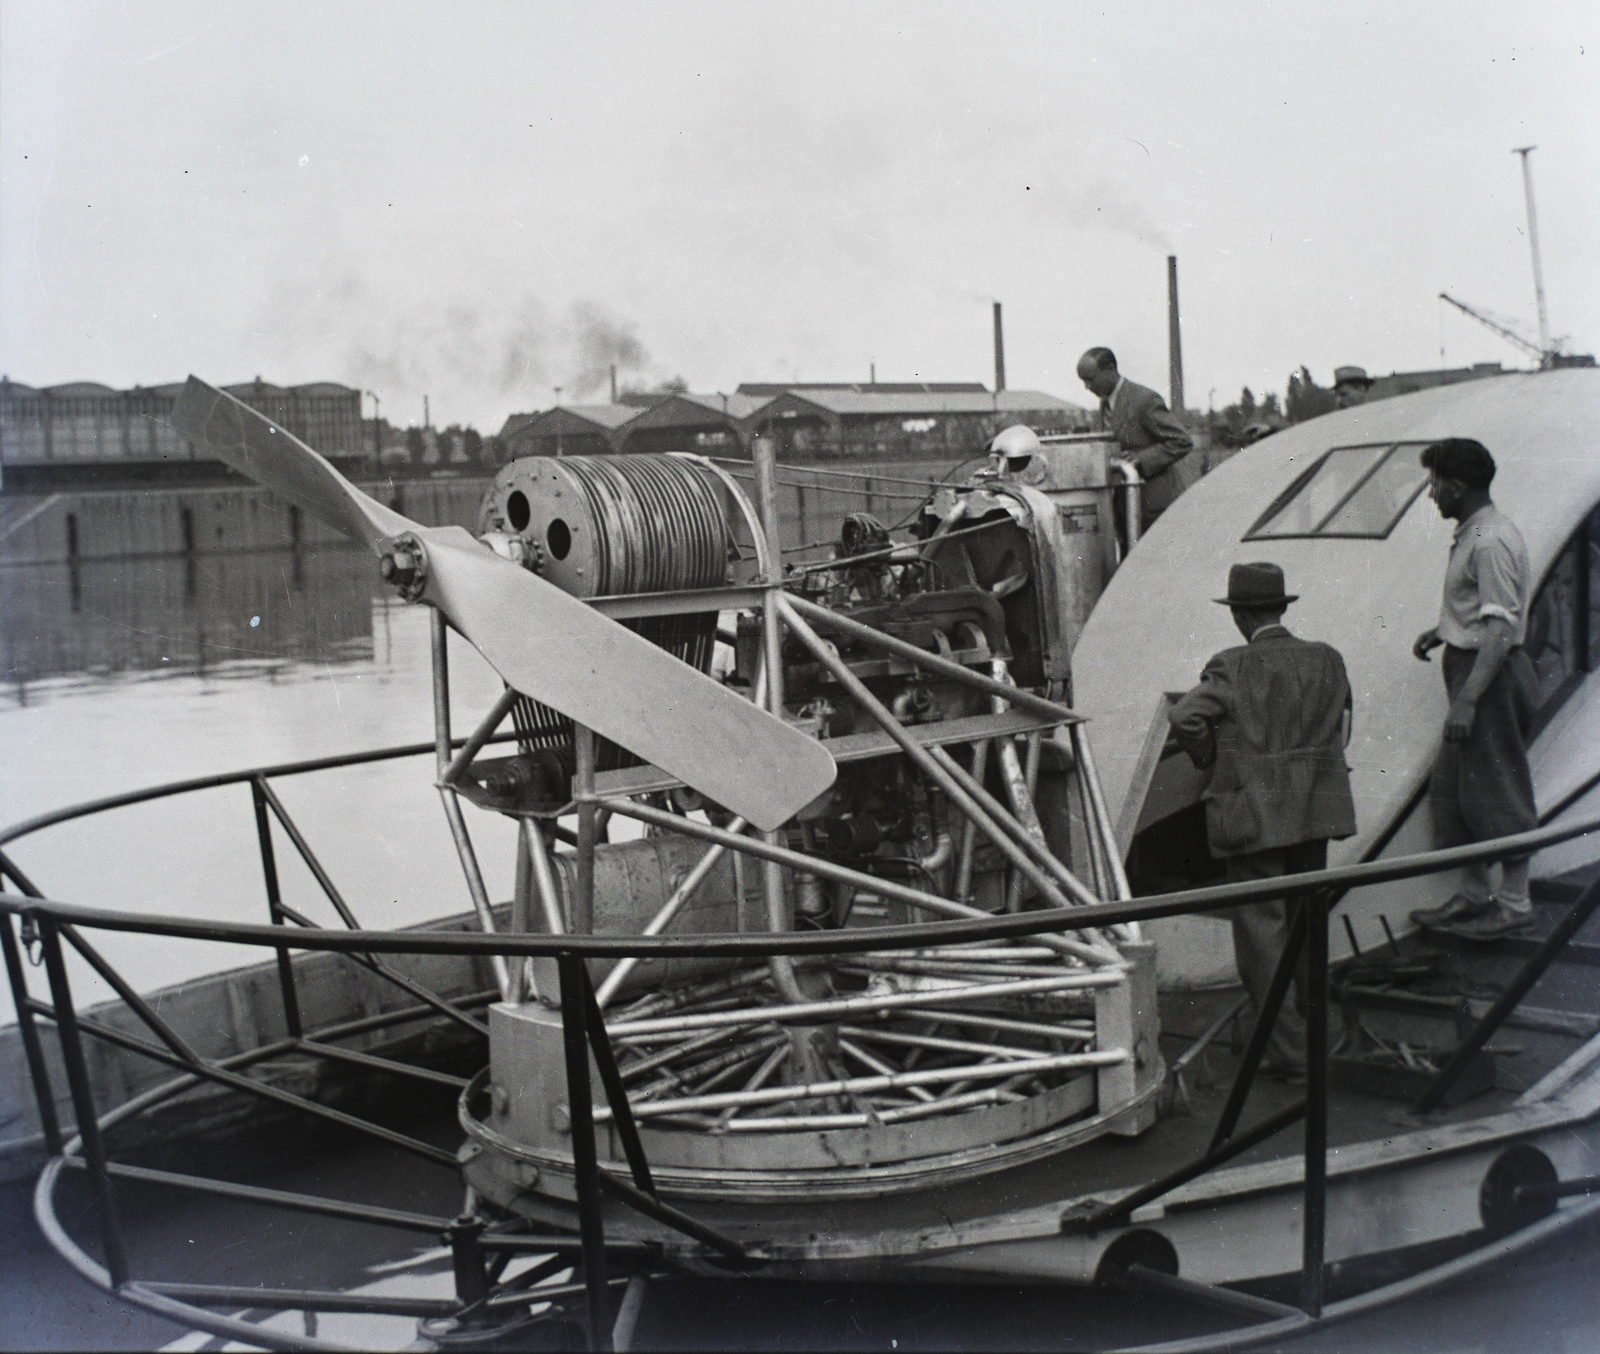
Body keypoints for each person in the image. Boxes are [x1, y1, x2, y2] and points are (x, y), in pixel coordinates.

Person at [1168, 562, 1357, 1078]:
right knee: (1306, 929)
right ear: (1280, 607)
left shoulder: (1232, 666)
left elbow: (1185, 717)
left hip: (1254, 817)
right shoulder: (1328, 659)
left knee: (1262, 940)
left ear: (1241, 615)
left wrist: (1210, 760)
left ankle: (1292, 1053)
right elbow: (1342, 725)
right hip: (1315, 812)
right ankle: (1323, 1036)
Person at [1408, 439, 1538, 941]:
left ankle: (1514, 901)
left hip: (1488, 678)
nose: (1432, 493)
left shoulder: (1489, 541)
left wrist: (1468, 698)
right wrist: (1444, 628)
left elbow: (1501, 631)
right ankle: (1474, 892)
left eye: (1436, 483)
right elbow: (1479, 608)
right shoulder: (1475, 532)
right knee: (1457, 787)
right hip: (1471, 667)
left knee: (1497, 787)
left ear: (1457, 488)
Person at [1076, 347, 1193, 528]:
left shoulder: (1144, 400)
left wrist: (1141, 459)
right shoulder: (1104, 406)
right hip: (1126, 511)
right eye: (1083, 381)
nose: (1087, 387)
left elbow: (1181, 441)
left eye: (1090, 379)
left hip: (1156, 512)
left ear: (1110, 369)